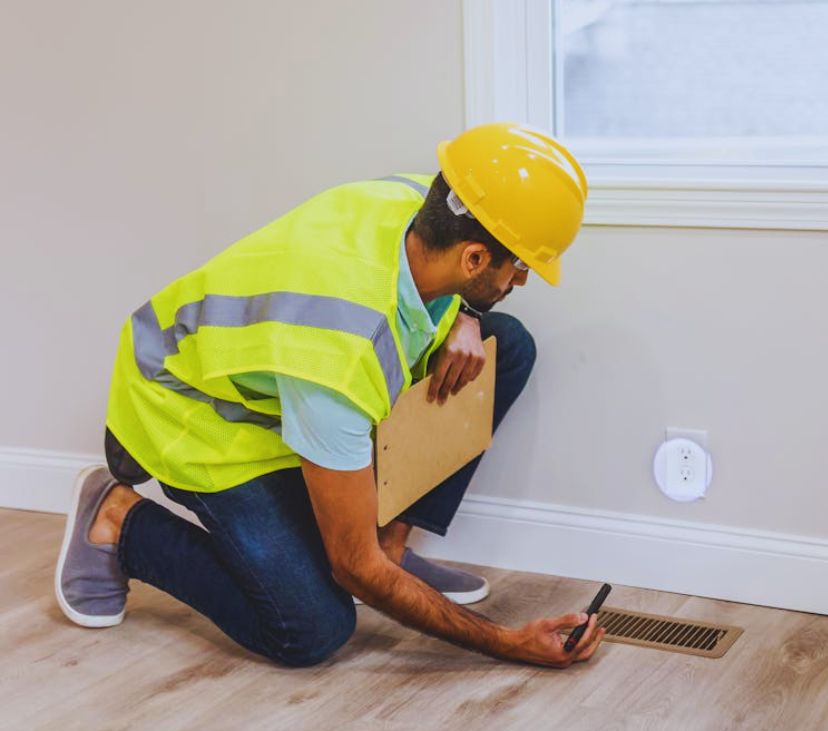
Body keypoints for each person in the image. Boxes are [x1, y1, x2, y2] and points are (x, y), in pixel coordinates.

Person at [53, 123, 606, 668]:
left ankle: (392, 548)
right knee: (312, 627)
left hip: (283, 385)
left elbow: (462, 275)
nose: (524, 281)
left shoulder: (423, 201)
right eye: (522, 266)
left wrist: (466, 313)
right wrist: (508, 643)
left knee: (501, 344)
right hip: (195, 413)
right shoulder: (339, 355)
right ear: (474, 260)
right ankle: (119, 519)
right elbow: (352, 567)